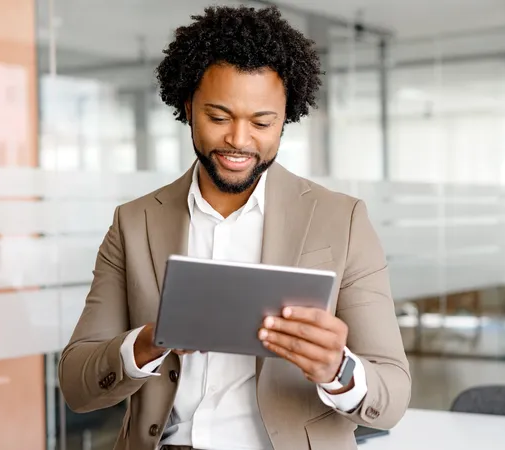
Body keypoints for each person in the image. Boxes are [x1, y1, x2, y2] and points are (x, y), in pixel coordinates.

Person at [57, 5, 410, 450]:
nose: (239, 141)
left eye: (262, 122)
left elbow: (392, 396)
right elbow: (76, 383)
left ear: (287, 117)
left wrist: (336, 369)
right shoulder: (134, 222)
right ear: (187, 106)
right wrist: (146, 343)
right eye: (219, 118)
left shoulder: (343, 221)